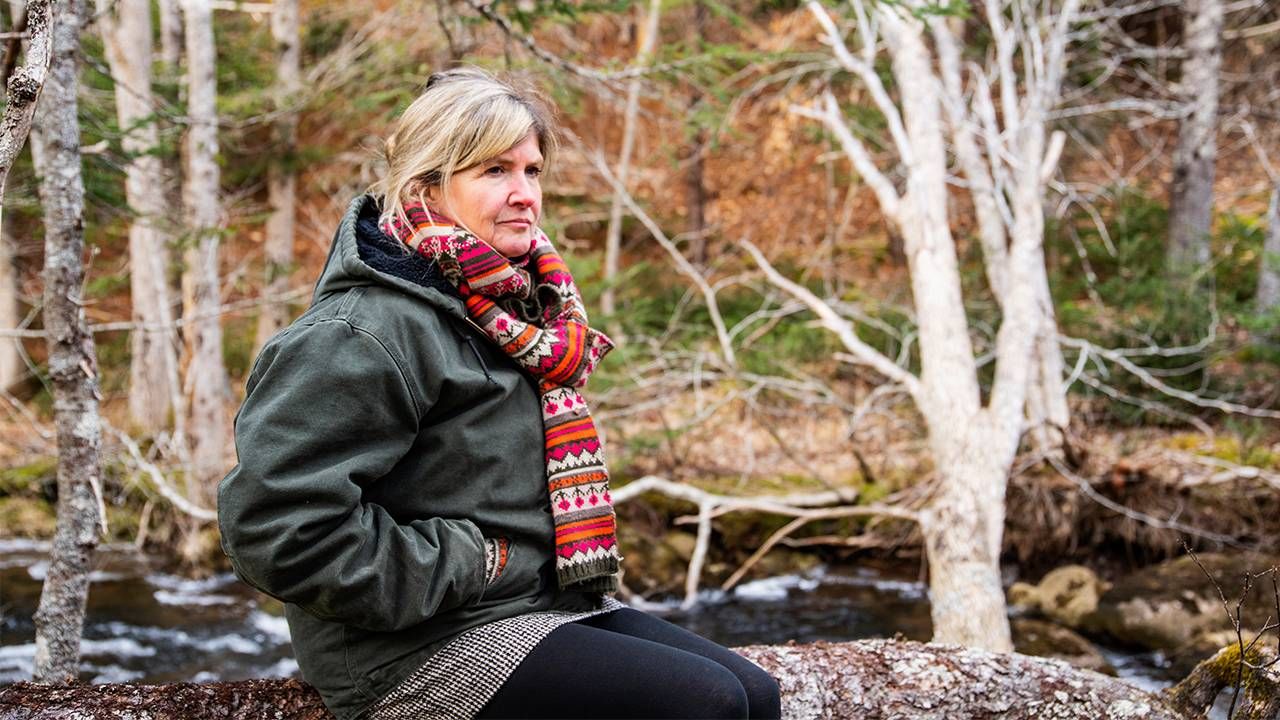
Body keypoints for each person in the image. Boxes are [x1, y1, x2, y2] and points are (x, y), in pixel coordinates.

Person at [217, 66, 781, 720]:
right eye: (494, 171)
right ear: (426, 186)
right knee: (703, 705)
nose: (524, 194)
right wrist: (470, 562)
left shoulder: (509, 308)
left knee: (754, 695)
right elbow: (275, 527)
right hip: (415, 645)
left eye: (532, 171)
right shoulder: (364, 333)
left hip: (534, 604)